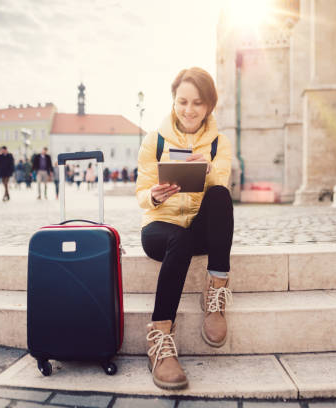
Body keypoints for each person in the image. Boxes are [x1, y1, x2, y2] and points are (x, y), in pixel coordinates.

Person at [135, 67, 233, 390]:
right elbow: (141, 191)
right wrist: (154, 195)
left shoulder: (220, 144)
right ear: (174, 102)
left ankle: (216, 291)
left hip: (198, 231)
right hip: (161, 229)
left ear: (209, 106)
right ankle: (160, 339)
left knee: (219, 195)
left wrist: (207, 168)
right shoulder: (155, 140)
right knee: (176, 237)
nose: (189, 110)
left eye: (197, 103)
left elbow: (222, 187)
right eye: (182, 102)